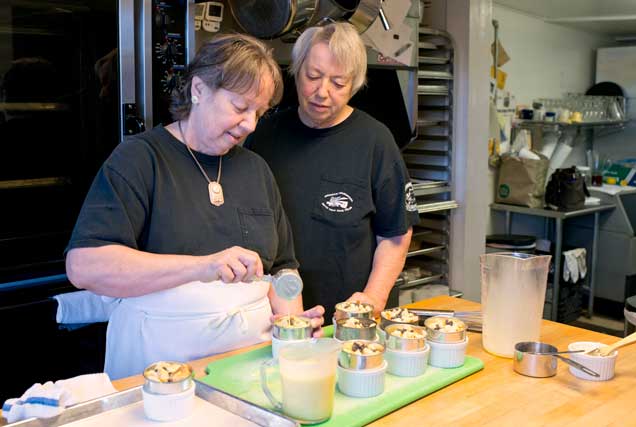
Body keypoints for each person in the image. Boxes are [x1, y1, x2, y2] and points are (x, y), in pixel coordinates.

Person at [65, 34, 324, 380]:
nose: (250, 124)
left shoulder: (256, 170)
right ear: (199, 90)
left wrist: (292, 326)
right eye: (240, 107)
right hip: (158, 371)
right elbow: (84, 266)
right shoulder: (140, 160)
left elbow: (284, 270)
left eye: (259, 112)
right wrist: (203, 266)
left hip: (250, 369)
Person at [245, 23, 419, 323]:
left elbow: (396, 234)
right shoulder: (262, 134)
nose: (322, 92)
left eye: (338, 83)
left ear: (355, 84)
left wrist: (372, 300)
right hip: (276, 318)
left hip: (350, 321)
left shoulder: (376, 142)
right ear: (296, 70)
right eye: (312, 76)